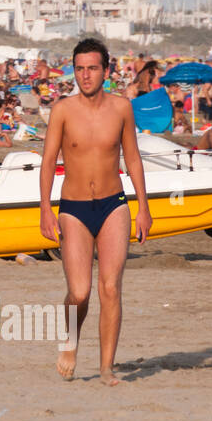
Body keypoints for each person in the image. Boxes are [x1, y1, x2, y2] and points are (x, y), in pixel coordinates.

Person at [40, 39, 151, 387]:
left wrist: (144, 208)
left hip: (113, 204)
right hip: (72, 208)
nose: (85, 75)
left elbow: (132, 158)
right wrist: (45, 209)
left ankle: (106, 369)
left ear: (106, 70)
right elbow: (47, 162)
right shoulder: (62, 110)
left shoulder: (121, 108)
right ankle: (70, 343)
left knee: (110, 288)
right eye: (79, 68)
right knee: (79, 292)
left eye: (92, 68)